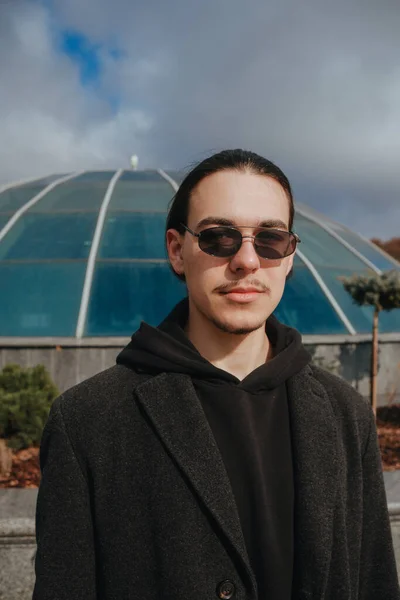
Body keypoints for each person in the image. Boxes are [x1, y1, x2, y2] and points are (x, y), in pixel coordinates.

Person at [33, 149, 399, 600]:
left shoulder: (347, 415)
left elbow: (374, 580)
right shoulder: (88, 421)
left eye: (270, 239)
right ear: (176, 251)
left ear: (289, 257)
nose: (246, 260)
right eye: (218, 237)